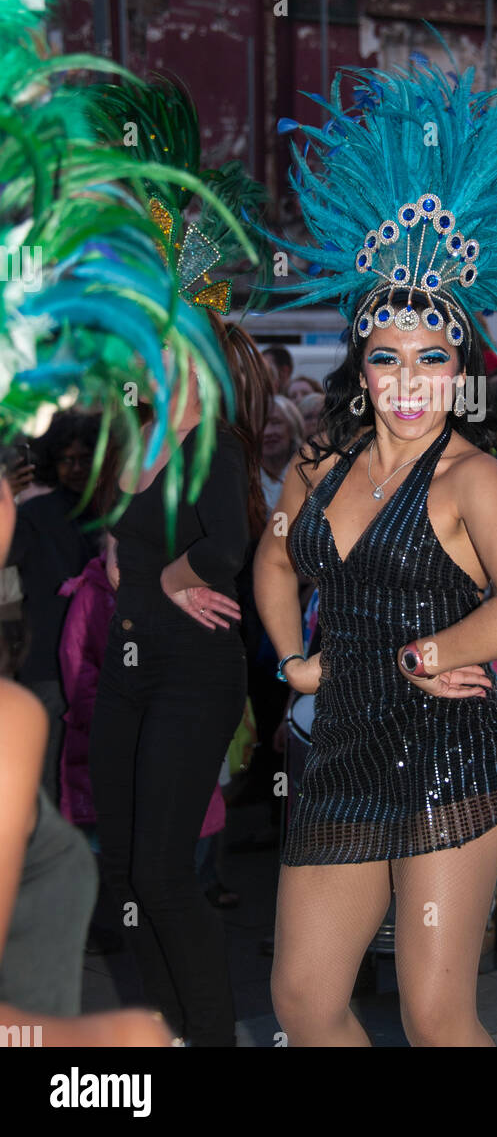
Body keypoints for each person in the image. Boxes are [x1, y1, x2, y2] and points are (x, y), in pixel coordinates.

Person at [251, 47, 497, 1047]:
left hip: (450, 752)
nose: (407, 376)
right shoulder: (320, 462)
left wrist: (430, 654)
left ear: (459, 367)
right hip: (343, 747)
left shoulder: (471, 477)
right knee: (305, 1003)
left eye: (431, 357)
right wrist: (293, 663)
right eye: (387, 355)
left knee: (436, 1012)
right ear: (363, 358)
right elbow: (276, 562)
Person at [86, 77, 270, 1047]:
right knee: (123, 873)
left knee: (164, 872)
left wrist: (160, 572)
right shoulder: (136, 429)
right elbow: (111, 527)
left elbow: (230, 551)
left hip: (197, 674)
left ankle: (210, 1038)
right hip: (128, 670)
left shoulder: (222, 445)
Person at [6, 411, 102, 803]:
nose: (76, 468)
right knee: (46, 782)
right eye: (67, 459)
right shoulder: (34, 515)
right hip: (49, 666)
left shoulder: (116, 510)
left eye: (84, 458)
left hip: (101, 667)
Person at [261, 393, 304, 515]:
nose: (268, 432)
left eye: (276, 423)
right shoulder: (247, 476)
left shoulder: (307, 472)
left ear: (292, 428)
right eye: (262, 424)